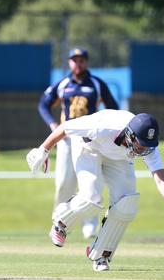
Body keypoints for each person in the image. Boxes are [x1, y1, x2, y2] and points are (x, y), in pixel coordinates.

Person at [26, 109, 164, 272]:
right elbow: (65, 127)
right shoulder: (104, 126)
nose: (144, 150)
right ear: (130, 135)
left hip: (119, 158)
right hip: (88, 148)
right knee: (90, 198)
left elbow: (161, 180)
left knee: (127, 204)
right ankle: (61, 222)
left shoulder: (148, 146)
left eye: (147, 146)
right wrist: (44, 150)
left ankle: (101, 255)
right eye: (141, 145)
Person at [38, 48, 119, 239]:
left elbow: (113, 109)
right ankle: (59, 220)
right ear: (69, 63)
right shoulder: (63, 84)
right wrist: (53, 125)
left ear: (87, 62)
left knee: (90, 180)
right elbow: (43, 104)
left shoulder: (97, 84)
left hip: (90, 140)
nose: (78, 64)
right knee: (64, 182)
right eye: (74, 60)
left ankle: (89, 223)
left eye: (81, 60)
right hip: (67, 139)